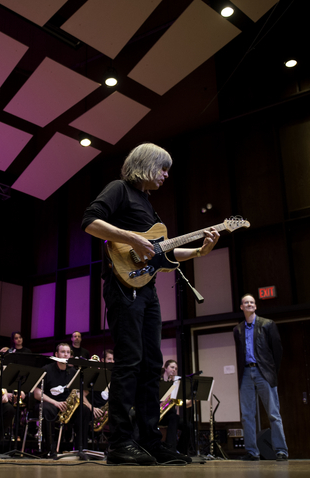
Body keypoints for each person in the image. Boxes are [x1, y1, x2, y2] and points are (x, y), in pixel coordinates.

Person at [82, 143, 219, 465]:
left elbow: (164, 255)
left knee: (151, 366)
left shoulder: (148, 205)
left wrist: (200, 251)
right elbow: (90, 221)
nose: (166, 175)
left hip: (147, 291)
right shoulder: (119, 190)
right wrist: (132, 238)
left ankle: (149, 441)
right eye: (162, 168)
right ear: (145, 165)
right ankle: (119, 442)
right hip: (122, 287)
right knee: (129, 362)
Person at [234, 294, 288, 461]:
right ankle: (252, 452)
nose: (249, 304)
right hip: (246, 374)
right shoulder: (237, 329)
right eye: (246, 302)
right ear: (241, 307)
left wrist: (272, 371)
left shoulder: (267, 324)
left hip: (264, 372)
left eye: (252, 302)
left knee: (273, 413)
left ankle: (281, 450)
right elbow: (239, 355)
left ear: (255, 306)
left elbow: (277, 350)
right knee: (247, 415)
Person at [34, 343, 90, 457]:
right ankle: (50, 449)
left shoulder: (74, 372)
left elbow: (80, 392)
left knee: (84, 410)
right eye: (63, 352)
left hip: (67, 405)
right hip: (51, 403)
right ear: (56, 354)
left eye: (68, 352)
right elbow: (37, 393)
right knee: (47, 410)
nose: (66, 354)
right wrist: (56, 403)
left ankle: (81, 448)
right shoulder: (47, 369)